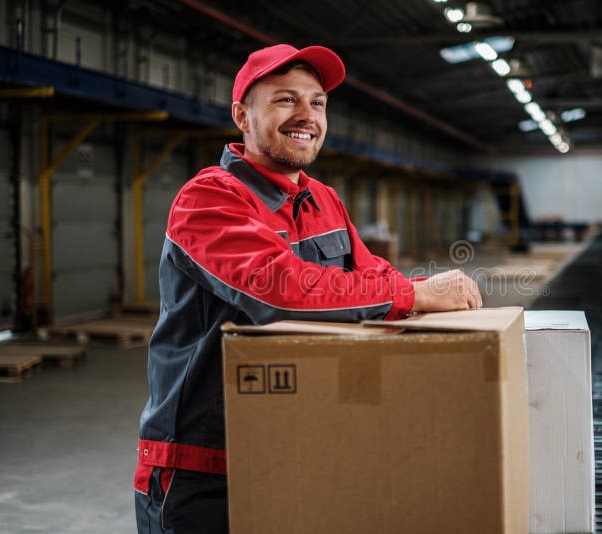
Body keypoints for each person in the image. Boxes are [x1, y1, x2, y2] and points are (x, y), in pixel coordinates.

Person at [133, 43, 482, 534]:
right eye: (284, 100)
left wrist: (423, 289)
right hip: (204, 468)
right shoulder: (208, 199)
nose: (306, 115)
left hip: (301, 446)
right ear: (241, 115)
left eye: (317, 102)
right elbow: (280, 292)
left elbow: (372, 280)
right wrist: (414, 295)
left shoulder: (324, 200)